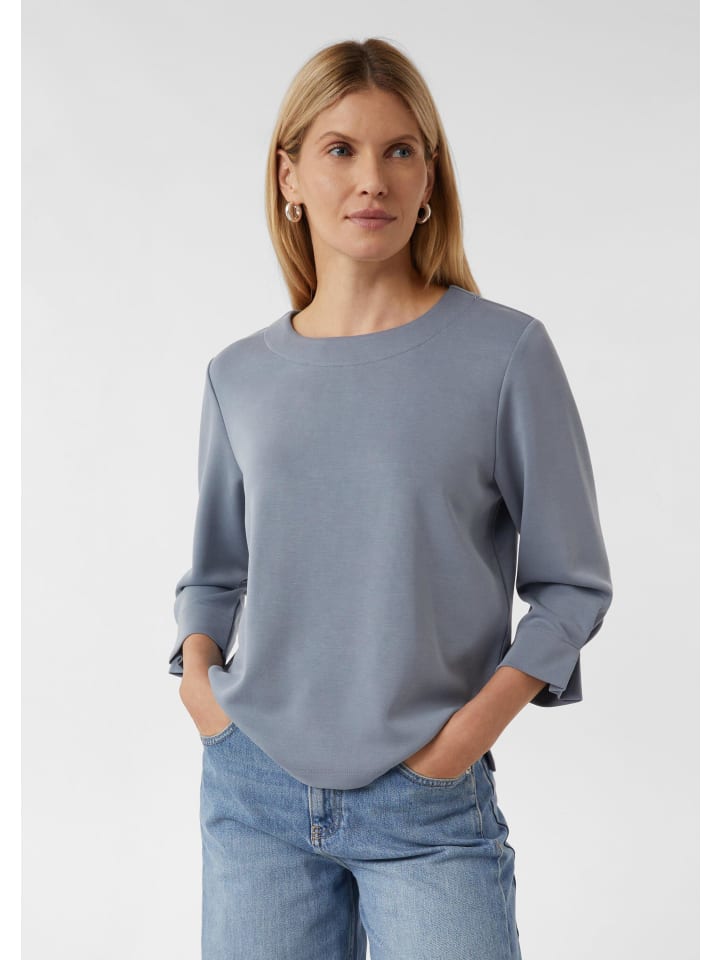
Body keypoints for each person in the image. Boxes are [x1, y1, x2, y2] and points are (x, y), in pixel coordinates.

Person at [168, 37, 613, 960]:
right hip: (253, 795)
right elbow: (213, 574)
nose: (372, 178)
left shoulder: (505, 354)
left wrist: (460, 742)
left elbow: (572, 585)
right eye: (340, 149)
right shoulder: (238, 376)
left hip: (427, 805)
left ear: (429, 179)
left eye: (400, 150)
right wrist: (204, 693)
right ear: (289, 176)